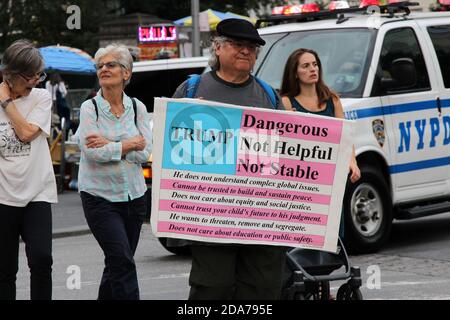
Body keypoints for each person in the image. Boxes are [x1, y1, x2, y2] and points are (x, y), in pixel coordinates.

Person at [172, 18, 287, 300]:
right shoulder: (192, 91)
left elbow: (286, 153)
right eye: (238, 45)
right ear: (218, 48)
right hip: (211, 215)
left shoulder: (270, 96)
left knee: (264, 290)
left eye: (252, 47)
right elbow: (172, 151)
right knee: (212, 289)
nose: (246, 51)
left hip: (261, 215)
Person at [76, 44, 152, 300]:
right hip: (99, 198)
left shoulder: (138, 107)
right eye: (100, 66)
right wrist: (129, 144)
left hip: (135, 197)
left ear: (126, 73)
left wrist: (111, 145)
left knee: (118, 262)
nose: (104, 69)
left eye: (110, 65)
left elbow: (145, 152)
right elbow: (93, 153)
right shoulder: (90, 108)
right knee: (122, 260)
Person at [280, 48, 361, 238]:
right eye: (306, 66)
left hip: (330, 175)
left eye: (315, 65)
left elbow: (345, 136)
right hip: (301, 178)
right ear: (295, 72)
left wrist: (352, 162)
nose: (312, 69)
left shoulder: (332, 100)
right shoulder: (286, 102)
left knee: (331, 230)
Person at [0, 39, 57, 300]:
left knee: (42, 259)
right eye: (30, 76)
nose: (36, 80)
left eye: (38, 74)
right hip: (3, 197)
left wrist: (6, 104)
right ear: (9, 75)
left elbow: (25, 133)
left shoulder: (42, 98)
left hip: (37, 194)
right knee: (5, 269)